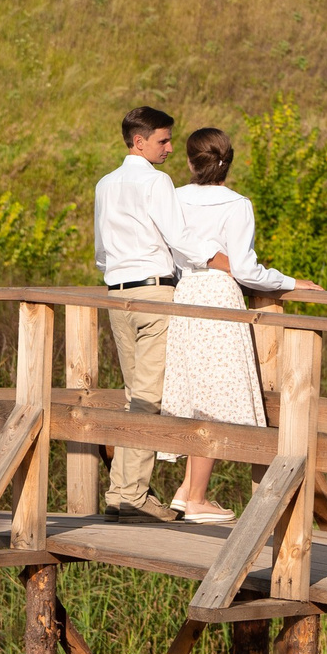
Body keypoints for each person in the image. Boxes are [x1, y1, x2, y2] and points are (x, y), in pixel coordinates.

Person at [159, 127, 321, 520]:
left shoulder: (174, 198)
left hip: (184, 295)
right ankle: (196, 497)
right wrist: (289, 282)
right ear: (228, 161)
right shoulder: (237, 203)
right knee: (213, 398)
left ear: (189, 161)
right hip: (218, 296)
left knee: (196, 391)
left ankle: (186, 491)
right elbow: (246, 269)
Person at [91, 106, 228, 521]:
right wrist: (218, 259)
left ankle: (120, 493)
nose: (169, 148)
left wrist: (117, 273)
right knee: (148, 398)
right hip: (154, 294)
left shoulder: (105, 183)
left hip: (117, 294)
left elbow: (101, 249)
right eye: (163, 141)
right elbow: (179, 237)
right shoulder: (156, 181)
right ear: (140, 142)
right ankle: (131, 496)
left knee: (136, 394)